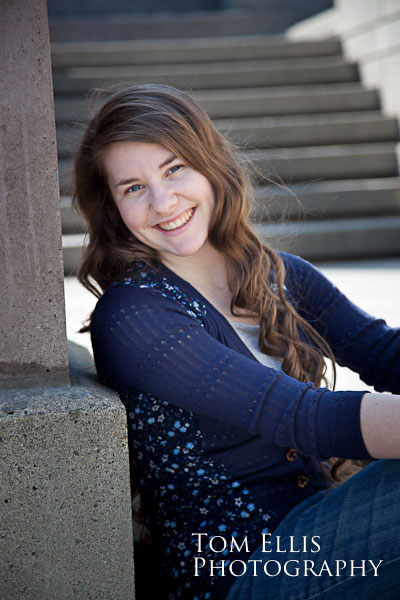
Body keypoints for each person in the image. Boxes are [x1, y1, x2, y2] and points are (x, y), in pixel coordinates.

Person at [73, 84, 400, 600]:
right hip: (242, 573)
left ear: (210, 165)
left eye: (174, 168)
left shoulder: (277, 273)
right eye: (133, 188)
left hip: (319, 531)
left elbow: (382, 351)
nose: (164, 202)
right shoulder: (134, 315)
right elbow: (303, 417)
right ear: (113, 208)